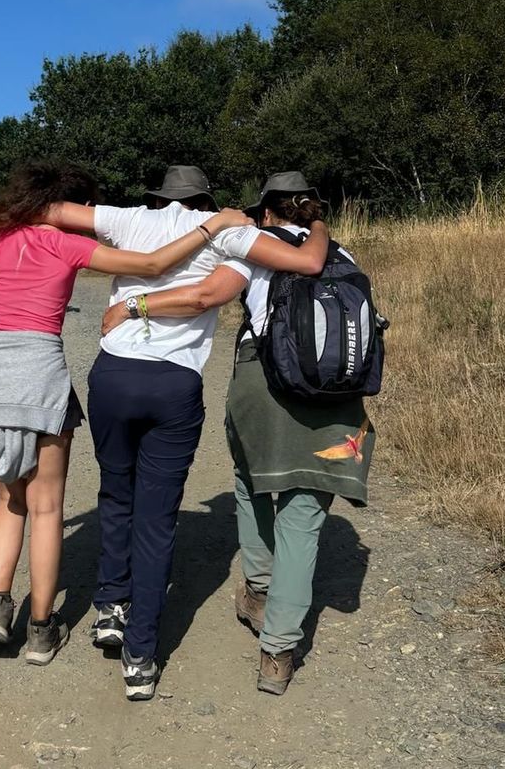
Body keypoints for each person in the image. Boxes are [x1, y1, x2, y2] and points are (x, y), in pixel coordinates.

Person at [0, 161, 252, 668]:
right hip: (39, 368)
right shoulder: (69, 244)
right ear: (71, 206)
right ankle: (42, 629)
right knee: (47, 508)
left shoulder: (0, 242)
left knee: (9, 495)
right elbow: (152, 267)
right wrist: (210, 226)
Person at [45, 165, 331, 700]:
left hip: (113, 372)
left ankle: (110, 605)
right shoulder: (229, 230)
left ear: (158, 197)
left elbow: (51, 210)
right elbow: (308, 262)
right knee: (156, 521)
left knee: (115, 489)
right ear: (207, 197)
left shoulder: (129, 220)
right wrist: (318, 222)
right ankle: (140, 656)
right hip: (173, 383)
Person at [100, 171, 376, 697]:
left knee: (251, 481)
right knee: (304, 513)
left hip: (266, 383)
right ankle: (278, 652)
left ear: (267, 213)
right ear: (311, 212)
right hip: (340, 399)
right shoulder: (343, 256)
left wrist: (133, 306)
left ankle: (257, 588)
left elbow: (207, 294)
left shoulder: (254, 249)